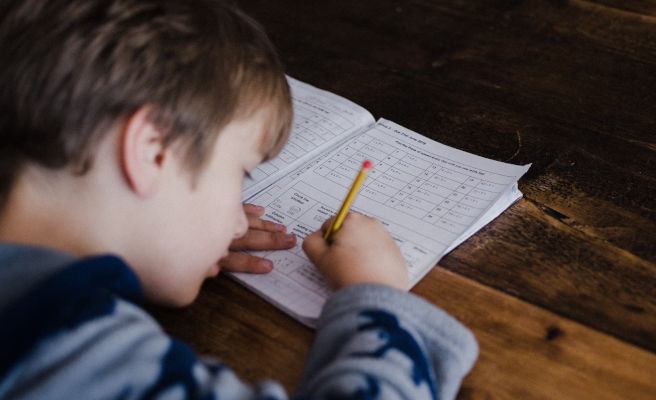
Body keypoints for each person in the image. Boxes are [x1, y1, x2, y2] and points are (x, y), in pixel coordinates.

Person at [0, 0, 478, 399]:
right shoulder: (69, 352)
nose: (236, 223)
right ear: (154, 152)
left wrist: (162, 241)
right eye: (241, 172)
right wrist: (377, 299)